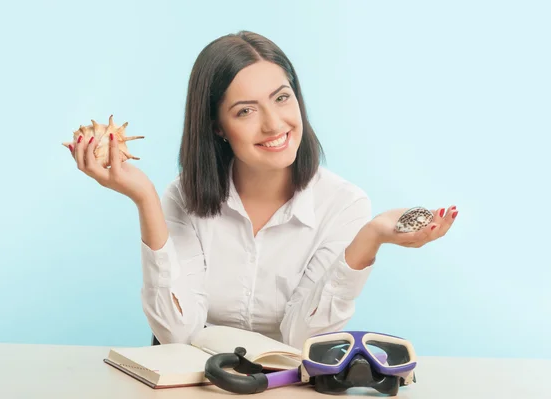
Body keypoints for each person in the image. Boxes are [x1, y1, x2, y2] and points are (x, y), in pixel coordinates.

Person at [66, 31, 458, 350]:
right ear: (217, 126)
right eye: (245, 111)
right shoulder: (182, 197)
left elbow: (303, 340)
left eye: (282, 98)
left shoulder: (343, 205)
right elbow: (176, 334)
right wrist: (145, 199)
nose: (274, 125)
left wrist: (371, 237)